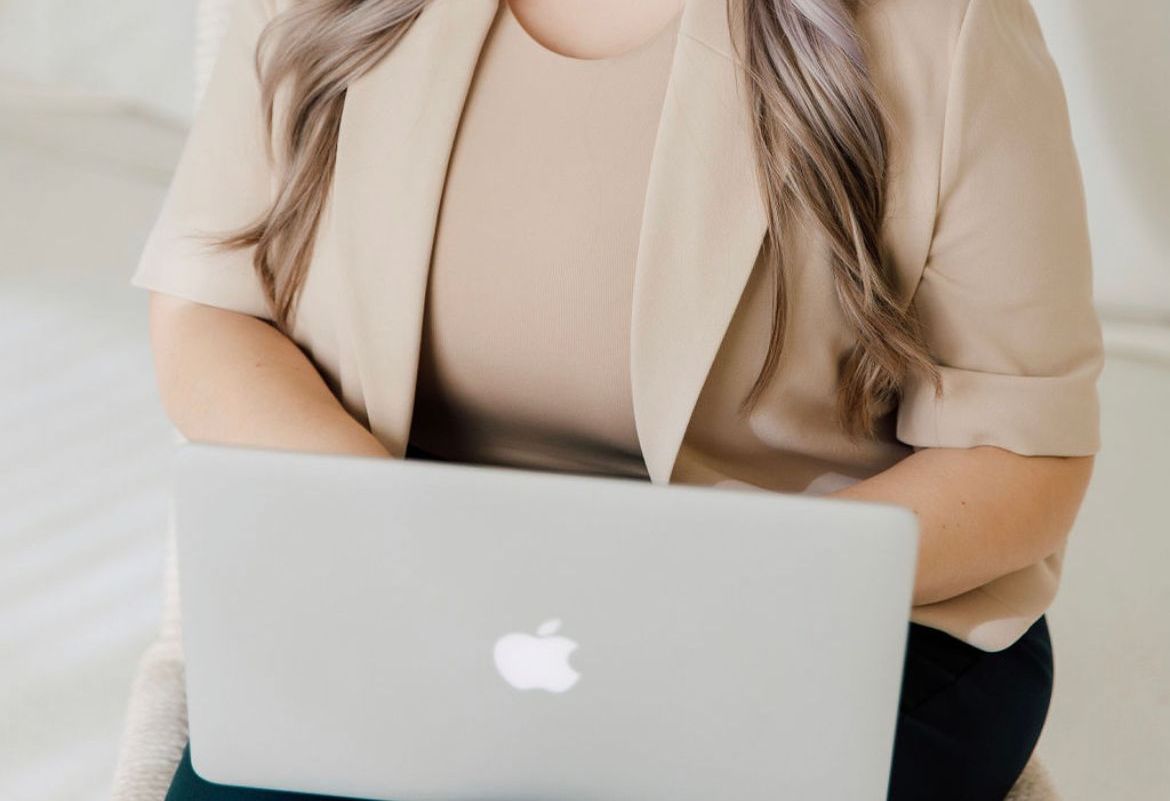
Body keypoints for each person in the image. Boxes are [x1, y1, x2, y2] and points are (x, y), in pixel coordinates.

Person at [131, 0, 1102, 798]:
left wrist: (707, 593)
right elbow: (209, 314)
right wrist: (400, 535)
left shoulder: (951, 27)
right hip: (411, 583)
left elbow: (1023, 451)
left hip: (800, 620)